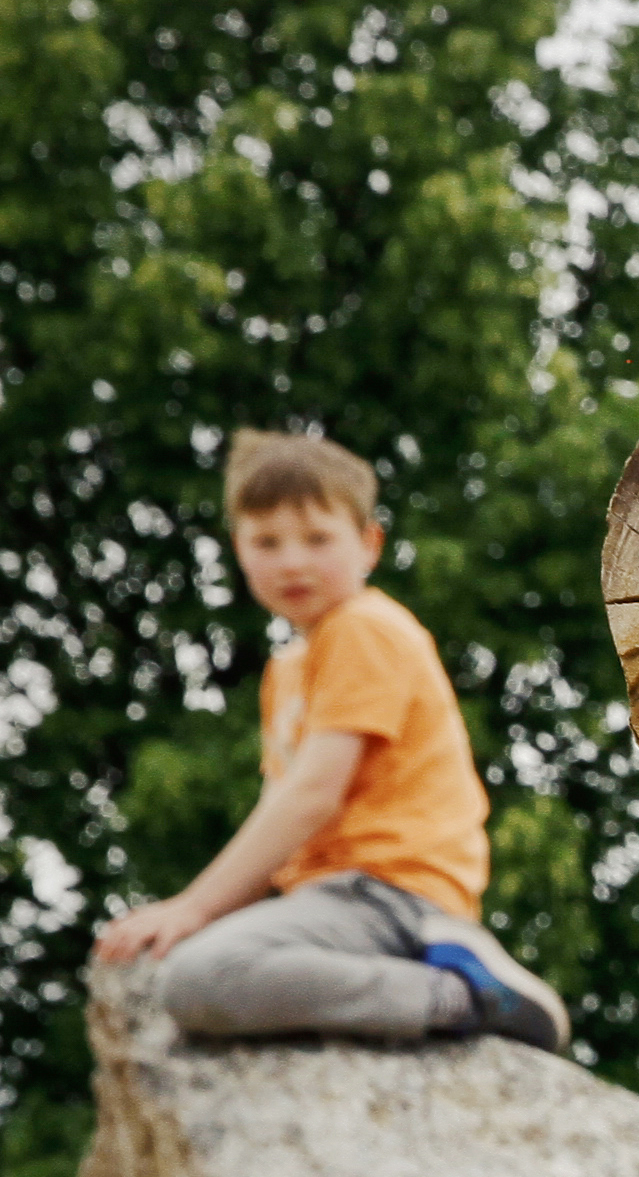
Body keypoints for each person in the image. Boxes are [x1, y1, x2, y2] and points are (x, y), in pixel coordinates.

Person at [88, 427, 566, 1048]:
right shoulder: (288, 668)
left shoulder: (364, 628)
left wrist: (195, 907)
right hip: (333, 898)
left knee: (198, 979)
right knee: (203, 967)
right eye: (267, 541)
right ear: (238, 549)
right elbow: (283, 814)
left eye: (317, 538)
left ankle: (462, 995)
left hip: (391, 896)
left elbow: (313, 794)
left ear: (370, 544)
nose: (292, 561)